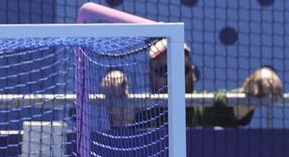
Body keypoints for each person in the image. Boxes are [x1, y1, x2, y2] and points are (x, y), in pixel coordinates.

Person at [101, 39, 283, 128]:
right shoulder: (140, 116)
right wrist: (114, 88)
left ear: (193, 73)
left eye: (180, 69)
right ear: (150, 76)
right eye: (163, 70)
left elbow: (246, 97)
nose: (173, 78)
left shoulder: (207, 106)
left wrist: (261, 78)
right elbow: (122, 118)